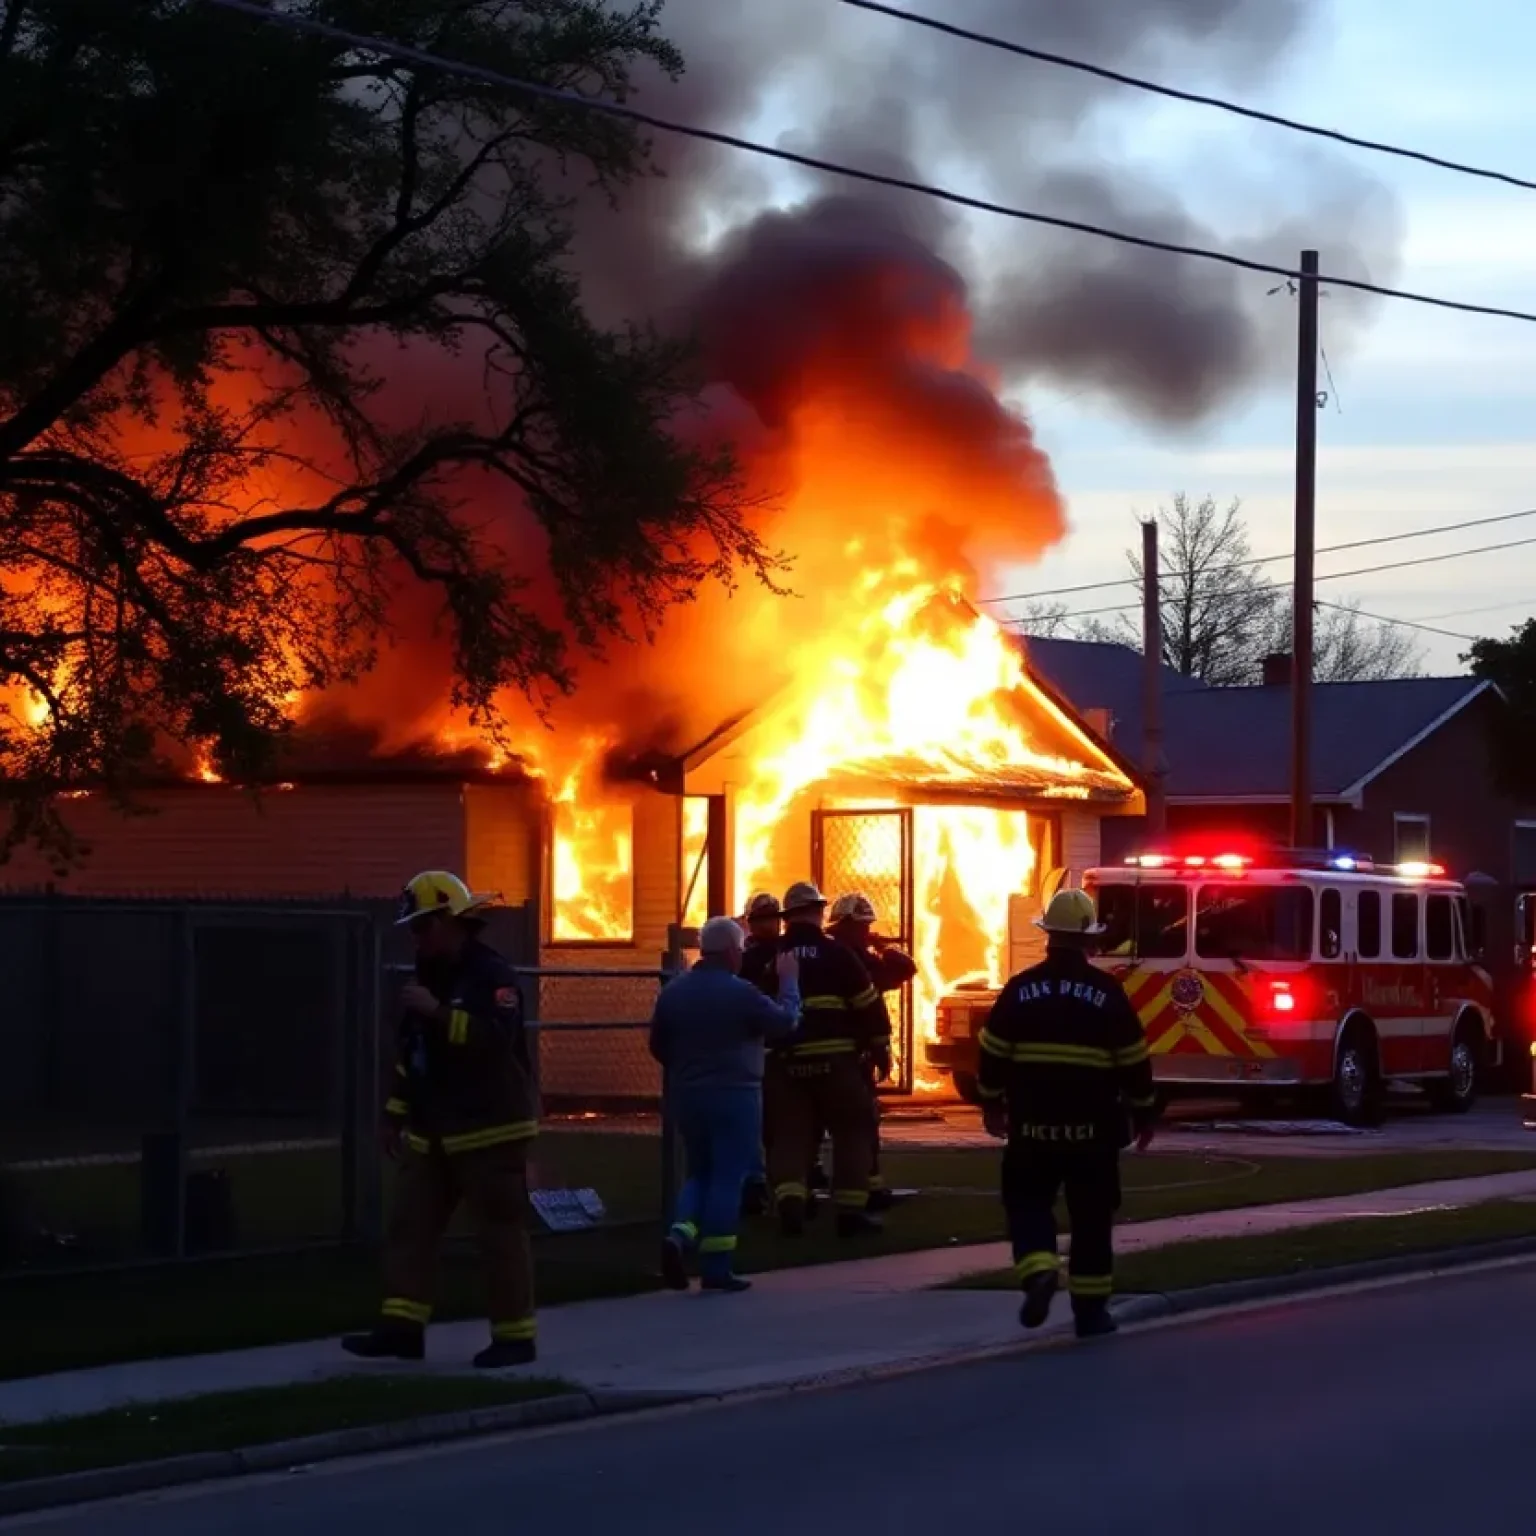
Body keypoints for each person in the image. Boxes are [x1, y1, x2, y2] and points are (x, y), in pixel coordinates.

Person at [343, 871, 540, 1369]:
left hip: (489, 1128)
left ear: (454, 921)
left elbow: (495, 1041)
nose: (416, 937)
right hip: (433, 1130)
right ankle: (402, 1329)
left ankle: (515, 1337)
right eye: (412, 928)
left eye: (424, 926)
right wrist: (394, 1113)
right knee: (410, 1225)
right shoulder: (427, 974)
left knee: (498, 1232)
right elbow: (412, 1052)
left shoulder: (490, 975)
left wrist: (437, 1013)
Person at [977, 887, 1158, 1340]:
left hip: (1032, 1127)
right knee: (1092, 1218)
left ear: (1048, 938)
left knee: (1027, 1203)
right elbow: (1134, 1059)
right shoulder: (1107, 992)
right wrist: (1144, 1111)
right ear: (1089, 942)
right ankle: (1091, 1314)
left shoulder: (1019, 990)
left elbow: (992, 1053)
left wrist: (992, 1103)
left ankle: (1038, 1270)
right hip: (1094, 1130)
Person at [650, 916, 802, 1292]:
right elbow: (784, 1022)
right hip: (736, 1095)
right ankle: (716, 1266)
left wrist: (687, 1069)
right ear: (733, 951)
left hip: (688, 1095)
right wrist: (789, 982)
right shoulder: (741, 993)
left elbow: (658, 1045)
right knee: (728, 1176)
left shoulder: (673, 993)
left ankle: (679, 1236)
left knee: (699, 1172)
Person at [759, 881, 889, 1239]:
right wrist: (881, 1050)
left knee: (788, 1134)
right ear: (818, 914)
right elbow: (868, 1005)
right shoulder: (838, 954)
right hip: (838, 1062)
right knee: (853, 1130)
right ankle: (849, 1214)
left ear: (787, 918)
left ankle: (790, 1204)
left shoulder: (773, 957)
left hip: (785, 1062)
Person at [827, 892, 917, 1214]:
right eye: (862, 926)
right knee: (859, 1125)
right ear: (845, 925)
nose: (867, 932)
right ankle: (861, 1193)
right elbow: (905, 967)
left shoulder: (833, 955)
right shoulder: (858, 961)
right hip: (852, 1054)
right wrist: (881, 946)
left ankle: (861, 1186)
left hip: (843, 1052)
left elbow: (906, 969)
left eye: (869, 926)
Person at [738, 892, 784, 1217]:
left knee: (781, 1120)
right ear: (752, 923)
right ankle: (755, 1184)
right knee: (756, 1119)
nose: (770, 924)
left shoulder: (786, 951)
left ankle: (782, 1182)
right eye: (763, 919)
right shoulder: (747, 959)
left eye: (773, 918)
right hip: (758, 1045)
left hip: (782, 1045)